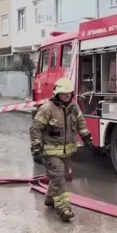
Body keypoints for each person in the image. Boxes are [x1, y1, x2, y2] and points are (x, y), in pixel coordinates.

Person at [29, 78, 92, 222]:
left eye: (69, 93)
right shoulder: (47, 109)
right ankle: (64, 209)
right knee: (58, 178)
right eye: (64, 93)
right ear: (57, 93)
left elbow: (81, 124)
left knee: (60, 177)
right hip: (51, 153)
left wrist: (87, 138)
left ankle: (50, 199)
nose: (67, 95)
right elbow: (36, 129)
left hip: (66, 152)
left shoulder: (74, 107)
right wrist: (36, 150)